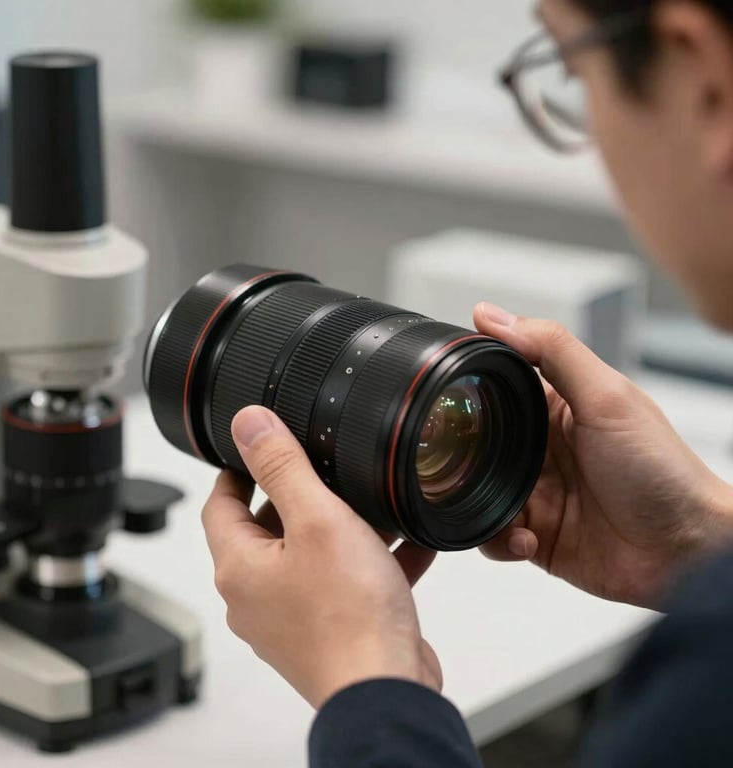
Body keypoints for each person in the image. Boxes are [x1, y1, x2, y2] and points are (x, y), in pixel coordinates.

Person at [200, 0, 733, 765]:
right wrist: (695, 540)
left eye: (574, 74)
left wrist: (367, 676)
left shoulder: (708, 663)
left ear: (703, 79)